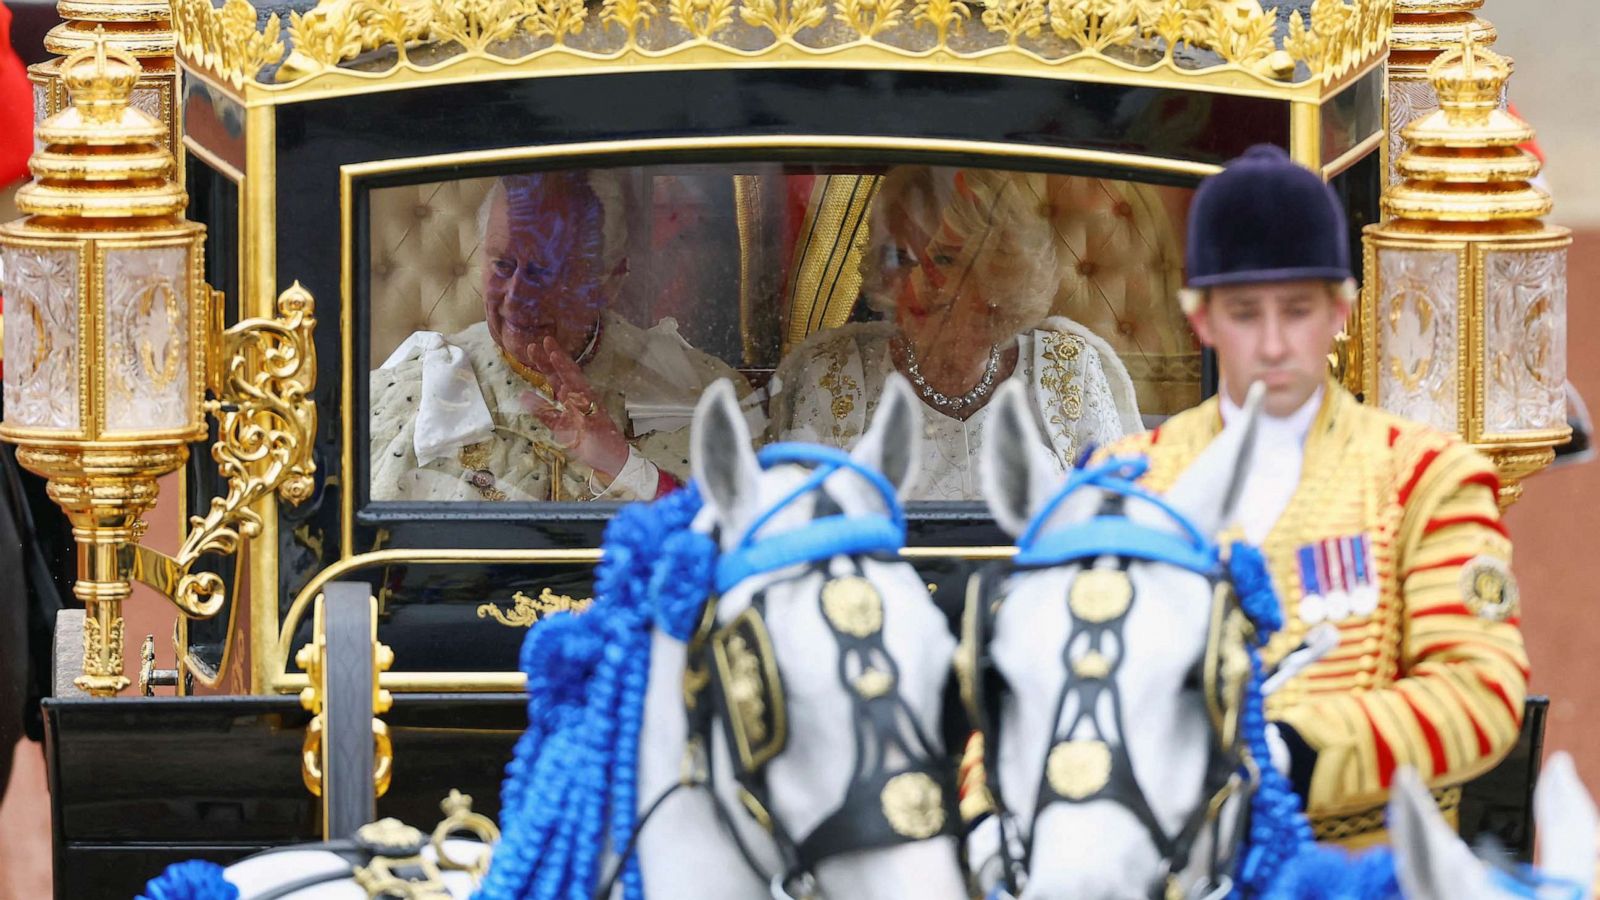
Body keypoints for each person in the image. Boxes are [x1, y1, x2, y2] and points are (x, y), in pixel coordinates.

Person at [1098, 144, 1528, 846]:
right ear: (1200, 320)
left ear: (1340, 310)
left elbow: (1479, 692)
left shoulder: (1424, 475)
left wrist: (1293, 752)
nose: (1273, 344)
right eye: (1244, 313)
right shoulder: (1125, 479)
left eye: (1296, 311)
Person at [369, 171, 751, 502]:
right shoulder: (408, 397)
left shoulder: (702, 392)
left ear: (610, 281)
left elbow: (745, 540)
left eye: (545, 273)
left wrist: (626, 468)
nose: (517, 297)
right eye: (503, 265)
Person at [768, 166, 1141, 500]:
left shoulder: (1069, 369)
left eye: (943, 259)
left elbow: (1115, 519)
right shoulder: (831, 374)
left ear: (1000, 271)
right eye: (901, 258)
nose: (916, 283)